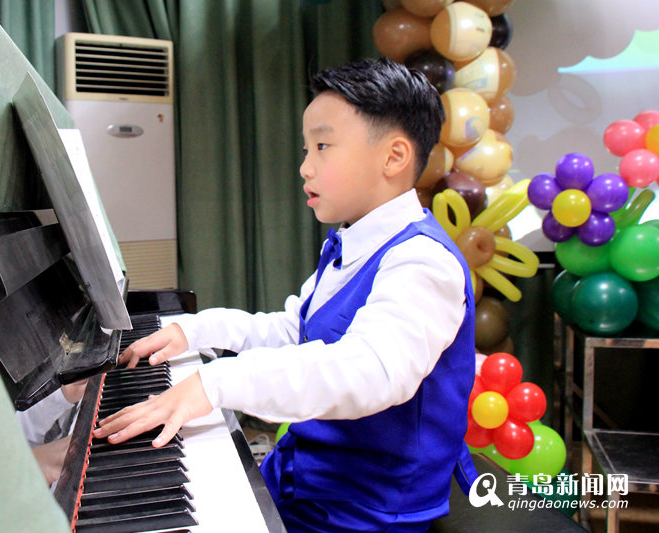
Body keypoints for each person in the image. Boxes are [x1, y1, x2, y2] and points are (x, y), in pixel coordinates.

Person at [93, 57, 478, 532]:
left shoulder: (422, 262)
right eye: (306, 148)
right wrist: (193, 331)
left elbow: (372, 371)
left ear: (394, 157)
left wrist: (215, 383)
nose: (305, 167)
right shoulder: (352, 242)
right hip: (305, 479)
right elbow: (295, 330)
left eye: (322, 146)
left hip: (365, 509)